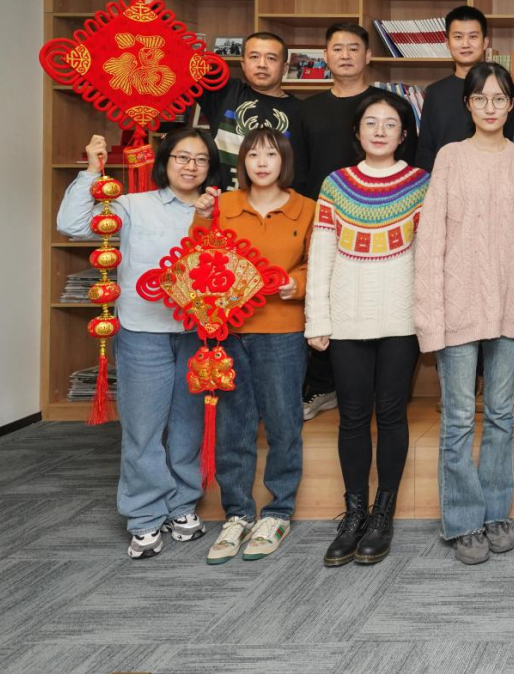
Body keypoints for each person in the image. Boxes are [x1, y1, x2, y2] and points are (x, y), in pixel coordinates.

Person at [56, 129, 217, 559]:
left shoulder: (218, 207)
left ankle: (181, 505)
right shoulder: (132, 204)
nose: (191, 166)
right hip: (142, 331)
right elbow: (71, 225)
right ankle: (144, 515)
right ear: (165, 161)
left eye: (201, 159)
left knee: (188, 425)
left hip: (197, 333)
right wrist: (92, 171)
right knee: (143, 428)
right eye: (182, 157)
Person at [414, 63, 514, 566]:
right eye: (481, 98)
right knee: (460, 417)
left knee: (502, 415)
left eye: (500, 98)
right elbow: (430, 241)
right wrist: (430, 317)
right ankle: (464, 520)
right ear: (467, 104)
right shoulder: (449, 157)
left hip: (508, 301)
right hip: (457, 304)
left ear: (512, 105)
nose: (491, 107)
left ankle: (495, 513)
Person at [305, 93, 429, 568]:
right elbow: (320, 256)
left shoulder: (421, 183)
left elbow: (429, 256)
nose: (380, 131)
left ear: (404, 133)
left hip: (401, 319)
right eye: (371, 123)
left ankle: (383, 514)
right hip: (347, 319)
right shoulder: (335, 184)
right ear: (356, 132)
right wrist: (317, 319)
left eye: (390, 123)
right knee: (353, 418)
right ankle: (354, 513)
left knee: (392, 415)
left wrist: (427, 317)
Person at [190, 128, 314, 565]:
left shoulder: (307, 208)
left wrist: (296, 283)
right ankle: (238, 513)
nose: (262, 163)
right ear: (241, 162)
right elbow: (198, 257)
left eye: (271, 155)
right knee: (233, 425)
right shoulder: (223, 205)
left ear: (285, 161)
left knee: (283, 424)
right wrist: (202, 218)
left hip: (282, 330)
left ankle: (278, 511)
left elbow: (316, 263)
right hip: (228, 332)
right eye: (253, 155)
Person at [295, 23, 419, 424]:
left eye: (354, 48)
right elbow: (298, 171)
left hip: (391, 232)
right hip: (327, 220)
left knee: (390, 407)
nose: (379, 130)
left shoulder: (386, 107)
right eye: (337, 48)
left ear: (368, 56)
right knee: (352, 411)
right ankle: (320, 388)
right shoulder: (308, 110)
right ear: (325, 56)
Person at [116, 0, 303, 190]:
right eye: (254, 57)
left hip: (276, 206)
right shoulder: (224, 91)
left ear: (284, 68)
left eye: (271, 58)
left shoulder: (301, 112)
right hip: (220, 205)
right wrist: (146, 2)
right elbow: (177, 54)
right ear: (243, 65)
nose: (262, 64)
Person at [413, 5, 514, 172]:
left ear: (485, 42)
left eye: (473, 37)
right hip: (445, 179)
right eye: (458, 37)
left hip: (496, 176)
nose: (465, 44)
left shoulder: (503, 90)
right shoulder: (434, 92)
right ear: (447, 43)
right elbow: (425, 150)